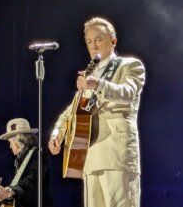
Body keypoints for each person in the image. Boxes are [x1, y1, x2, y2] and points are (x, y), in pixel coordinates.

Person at [48, 16, 146, 207]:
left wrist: (98, 84)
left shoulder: (130, 65)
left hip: (117, 154)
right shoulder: (89, 75)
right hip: (90, 155)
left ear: (113, 40)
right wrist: (57, 134)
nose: (93, 46)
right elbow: (71, 111)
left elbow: (128, 93)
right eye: (89, 42)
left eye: (99, 39)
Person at [0, 118, 49, 207]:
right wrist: (4, 195)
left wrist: (9, 191)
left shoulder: (38, 155)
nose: (10, 146)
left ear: (18, 141)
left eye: (10, 142)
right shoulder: (20, 160)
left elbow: (32, 180)